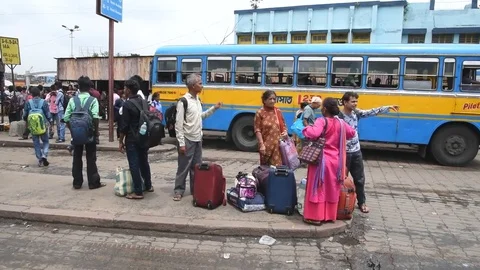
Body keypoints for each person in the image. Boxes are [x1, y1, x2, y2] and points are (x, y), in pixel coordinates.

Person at [339, 91, 399, 213]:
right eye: (352, 101)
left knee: (360, 179)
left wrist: (386, 108)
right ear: (345, 102)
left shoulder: (357, 113)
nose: (355, 104)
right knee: (340, 179)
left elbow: (370, 112)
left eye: (356, 101)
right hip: (343, 153)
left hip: (356, 152)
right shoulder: (338, 117)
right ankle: (339, 203)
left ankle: (362, 203)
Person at [302, 97, 356, 224]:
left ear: (325, 109)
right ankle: (329, 216)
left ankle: (315, 217)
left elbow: (313, 133)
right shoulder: (341, 123)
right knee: (331, 189)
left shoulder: (322, 121)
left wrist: (306, 128)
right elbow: (352, 133)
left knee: (317, 188)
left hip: (321, 161)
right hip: (336, 163)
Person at [173, 73, 222, 201]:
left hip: (197, 139)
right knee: (183, 167)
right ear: (193, 86)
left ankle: (196, 190)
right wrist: (181, 143)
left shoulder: (198, 100)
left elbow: (201, 116)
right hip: (187, 139)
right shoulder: (183, 101)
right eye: (200, 83)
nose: (202, 85)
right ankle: (179, 190)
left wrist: (214, 109)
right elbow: (178, 125)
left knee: (197, 167)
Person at [63, 76, 105, 190]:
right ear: (89, 88)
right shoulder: (93, 100)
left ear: (79, 87)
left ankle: (77, 182)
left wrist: (73, 131)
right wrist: (96, 133)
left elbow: (66, 118)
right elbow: (95, 117)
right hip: (89, 132)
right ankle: (93, 182)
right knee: (91, 157)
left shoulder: (72, 100)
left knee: (77, 157)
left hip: (76, 133)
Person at [118, 79, 154, 199]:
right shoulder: (144, 102)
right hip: (144, 136)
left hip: (132, 139)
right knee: (144, 161)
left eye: (124, 89)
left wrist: (120, 141)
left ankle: (138, 192)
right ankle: (148, 185)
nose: (124, 91)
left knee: (134, 163)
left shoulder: (127, 104)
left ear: (128, 90)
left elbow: (124, 126)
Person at [253, 90, 288, 166]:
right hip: (266, 146)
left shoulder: (278, 111)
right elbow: (257, 130)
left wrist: (285, 132)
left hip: (278, 146)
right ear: (264, 100)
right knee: (266, 171)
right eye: (270, 99)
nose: (272, 101)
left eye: (274, 99)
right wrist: (261, 145)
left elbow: (284, 125)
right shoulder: (260, 112)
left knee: (277, 169)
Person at [22, 87, 52, 167]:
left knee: (36, 143)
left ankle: (40, 159)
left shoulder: (29, 102)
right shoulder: (44, 102)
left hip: (33, 126)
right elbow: (48, 114)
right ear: (40, 93)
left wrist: (27, 121)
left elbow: (25, 115)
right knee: (45, 141)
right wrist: (50, 122)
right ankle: (44, 155)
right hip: (43, 125)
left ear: (31, 94)